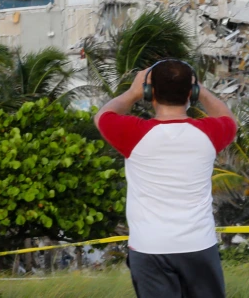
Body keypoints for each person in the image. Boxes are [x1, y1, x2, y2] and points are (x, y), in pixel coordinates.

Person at [96, 59, 237, 298]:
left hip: (149, 248)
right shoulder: (209, 134)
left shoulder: (134, 135)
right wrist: (201, 91)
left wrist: (132, 92)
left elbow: (103, 115)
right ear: (190, 93)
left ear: (150, 93)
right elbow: (228, 118)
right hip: (199, 245)